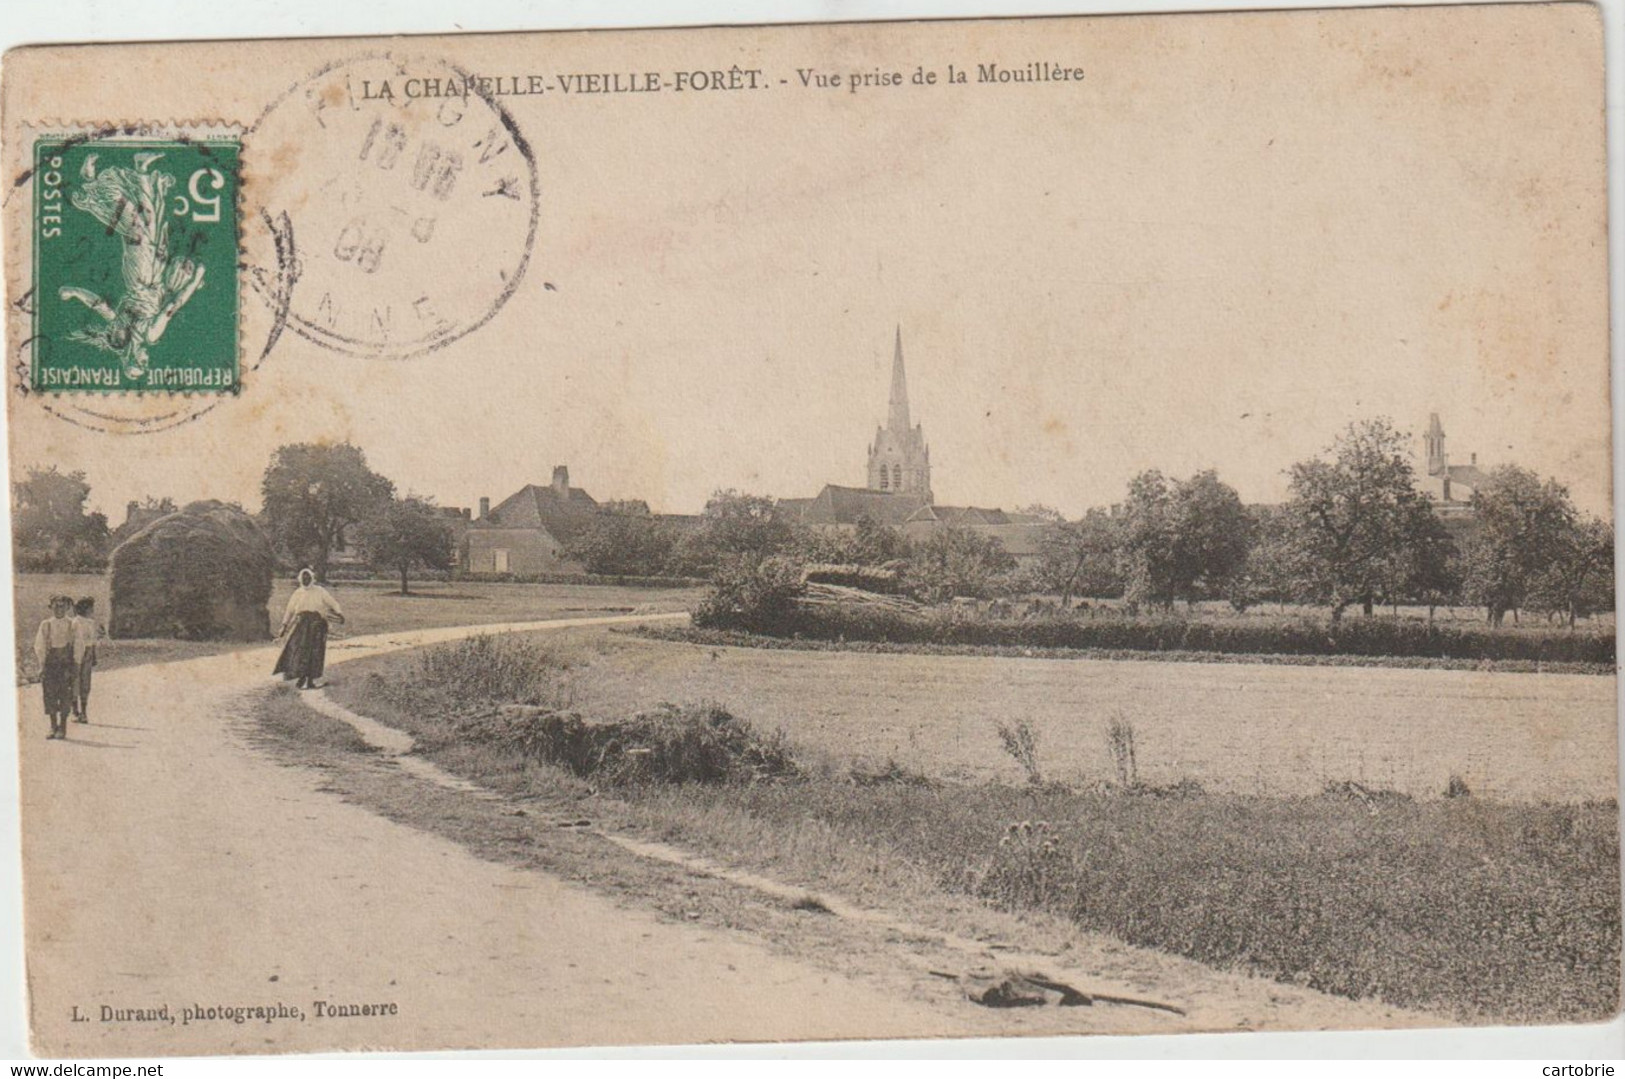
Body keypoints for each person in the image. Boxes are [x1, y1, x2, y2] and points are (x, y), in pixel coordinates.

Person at [273, 569, 344, 690]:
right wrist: (284, 626)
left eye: (308, 578)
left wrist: (339, 613)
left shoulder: (320, 591)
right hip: (300, 624)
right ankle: (300, 677)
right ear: (300, 579)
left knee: (315, 652)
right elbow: (289, 610)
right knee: (297, 650)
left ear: (312, 578)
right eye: (303, 578)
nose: (306, 580)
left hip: (316, 625)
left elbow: (333, 603)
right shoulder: (298, 593)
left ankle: (310, 680)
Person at [34, 596, 79, 740]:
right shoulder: (46, 624)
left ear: (67, 608)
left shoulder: (72, 624)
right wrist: (41, 665)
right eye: (56, 606)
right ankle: (53, 725)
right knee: (50, 693)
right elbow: (40, 646)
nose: (59, 609)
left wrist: (76, 663)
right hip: (51, 662)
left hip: (66, 662)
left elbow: (78, 644)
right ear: (51, 607)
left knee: (65, 694)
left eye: (62, 606)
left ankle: (63, 726)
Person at [71, 597, 101, 724]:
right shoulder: (75, 622)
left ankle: (84, 712)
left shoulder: (91, 623)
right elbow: (74, 641)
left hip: (87, 653)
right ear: (84, 609)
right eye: (90, 608)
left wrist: (94, 655)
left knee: (85, 682)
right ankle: (75, 710)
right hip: (77, 653)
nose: (92, 610)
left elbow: (93, 641)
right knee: (75, 681)